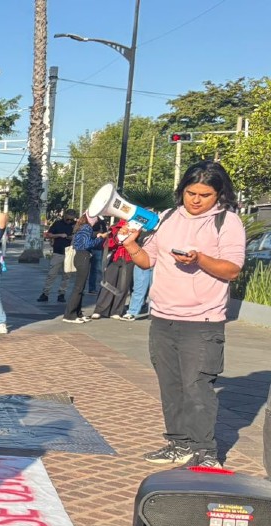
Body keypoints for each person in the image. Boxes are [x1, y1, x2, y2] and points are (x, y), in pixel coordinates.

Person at [124, 161, 244, 469]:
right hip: (162, 318)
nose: (196, 200)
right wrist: (131, 244)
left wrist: (200, 258)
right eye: (191, 193)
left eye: (205, 195)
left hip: (202, 322)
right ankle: (178, 444)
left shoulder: (227, 221)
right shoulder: (167, 217)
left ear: (219, 194)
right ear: (182, 190)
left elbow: (232, 269)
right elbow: (147, 261)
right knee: (171, 387)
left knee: (197, 388)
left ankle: (205, 452)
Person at [61, 215, 105, 323]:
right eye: (96, 219)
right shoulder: (87, 227)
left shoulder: (81, 227)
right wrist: (100, 238)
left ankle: (77, 313)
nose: (97, 221)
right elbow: (87, 244)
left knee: (80, 287)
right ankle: (69, 315)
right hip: (83, 256)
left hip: (80, 256)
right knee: (78, 288)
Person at [91, 219, 135, 319]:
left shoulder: (137, 229)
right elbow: (108, 244)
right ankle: (100, 309)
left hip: (129, 258)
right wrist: (117, 237)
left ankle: (116, 311)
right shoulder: (115, 228)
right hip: (115, 257)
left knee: (123, 285)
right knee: (108, 284)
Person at [38, 209, 76, 302]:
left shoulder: (76, 225)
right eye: (68, 219)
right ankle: (45, 293)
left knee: (67, 275)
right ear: (64, 216)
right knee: (51, 274)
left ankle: (62, 294)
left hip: (70, 252)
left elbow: (80, 236)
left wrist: (73, 237)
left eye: (71, 219)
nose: (69, 221)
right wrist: (59, 235)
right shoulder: (58, 223)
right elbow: (48, 234)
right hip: (58, 252)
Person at [123, 256, 152, 321]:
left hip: (161, 260)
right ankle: (132, 312)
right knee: (138, 288)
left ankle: (154, 312)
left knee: (157, 290)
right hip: (142, 259)